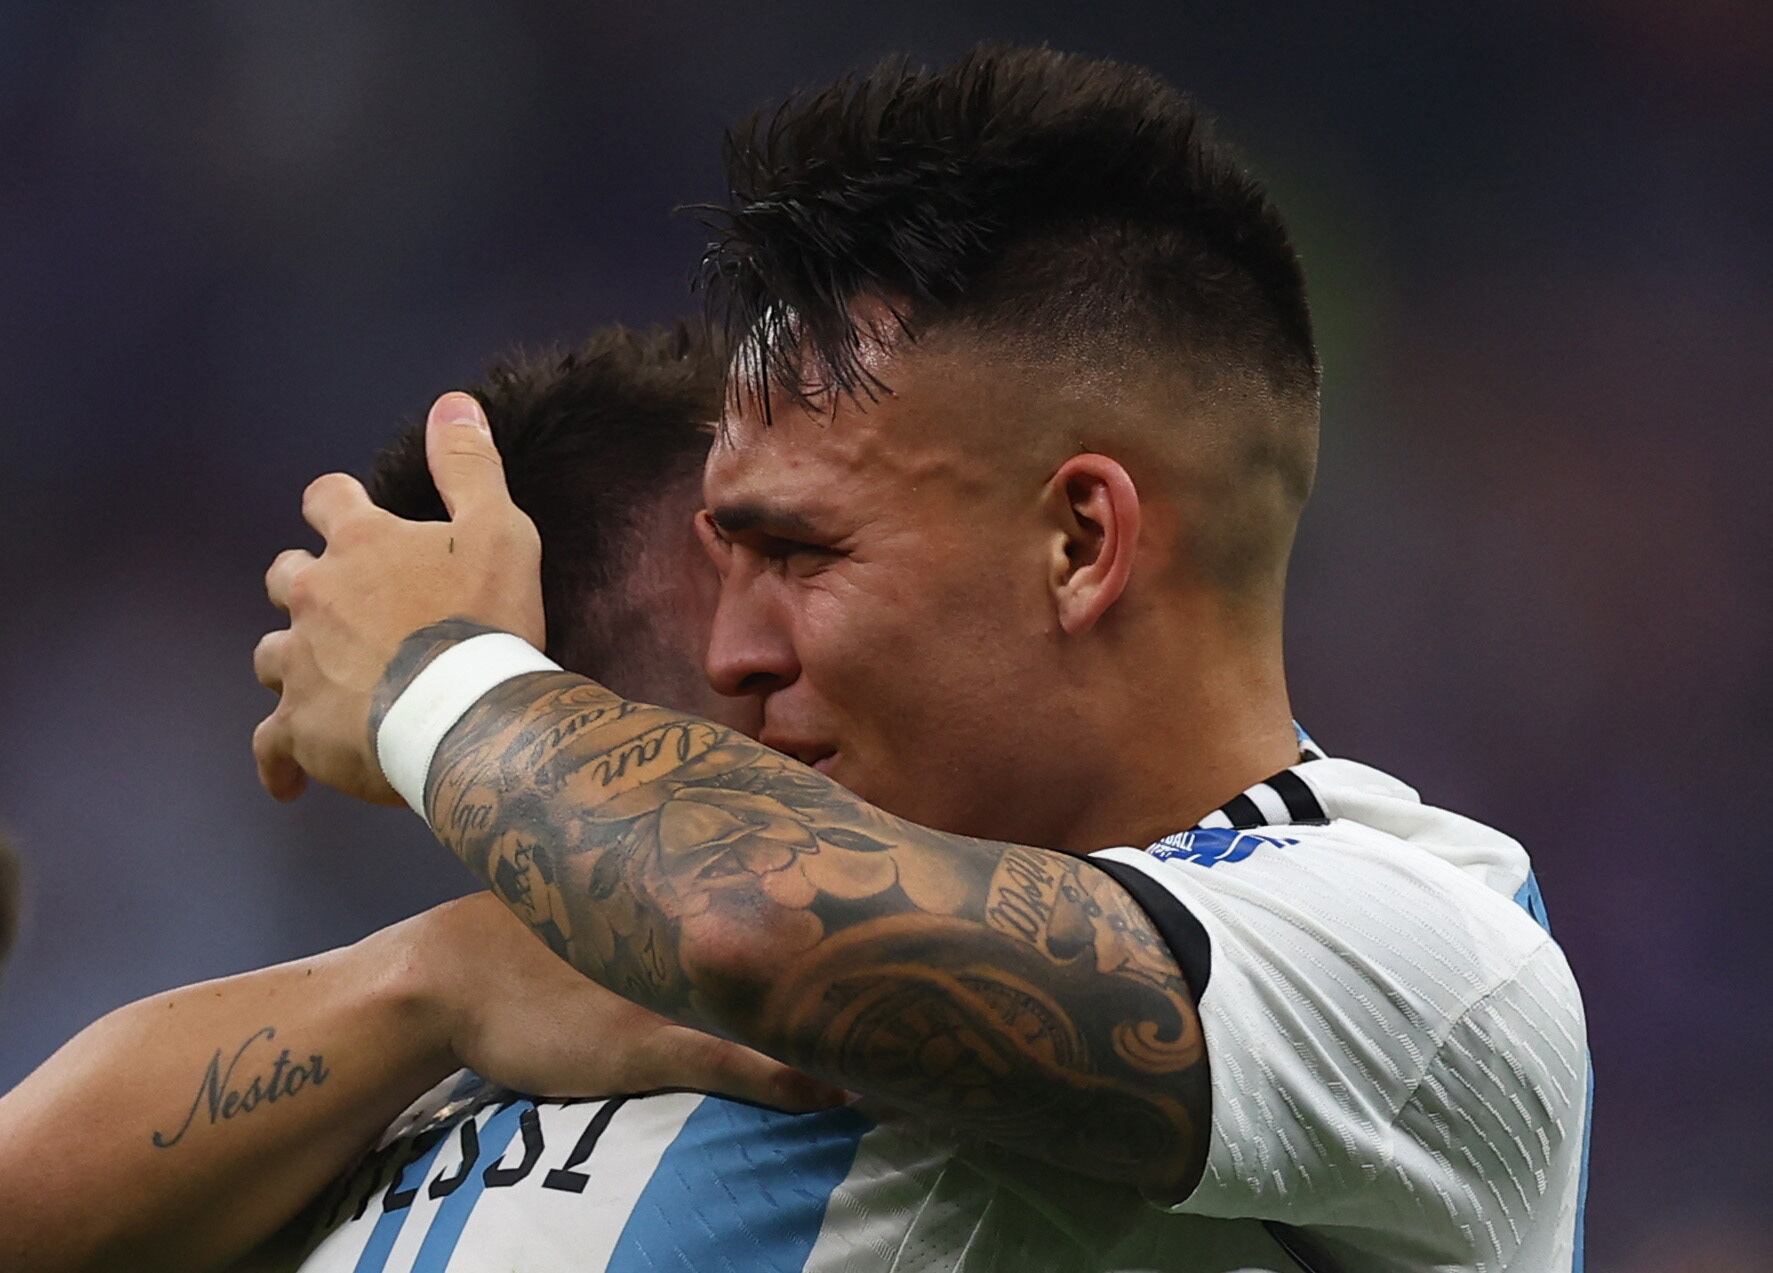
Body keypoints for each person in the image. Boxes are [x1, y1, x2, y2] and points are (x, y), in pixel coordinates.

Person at [255, 44, 1593, 1273]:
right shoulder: (601, 944)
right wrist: (429, 986)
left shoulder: (1419, 950)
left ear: (1080, 543)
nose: (730, 653)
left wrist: (435, 679)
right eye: (727, 560)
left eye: (800, 556)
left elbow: (762, 920)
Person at [0, 327, 837, 1273]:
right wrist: (448, 976)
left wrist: (444, 684)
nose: (767, 644)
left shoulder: (946, 980)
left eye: (812, 553)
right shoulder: (408, 1067)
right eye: (771, 552)